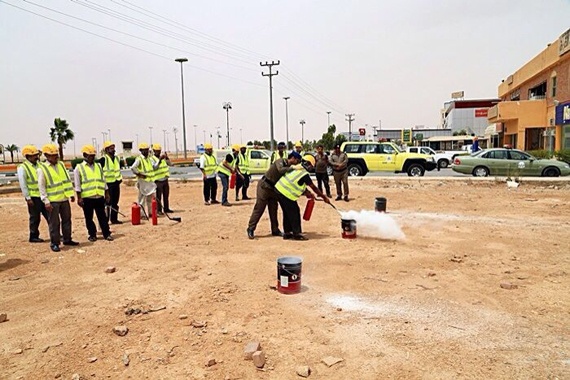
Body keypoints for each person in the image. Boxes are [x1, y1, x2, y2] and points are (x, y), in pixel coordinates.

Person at [246, 151, 303, 239]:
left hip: (273, 189)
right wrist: (294, 168)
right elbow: (280, 170)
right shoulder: (280, 161)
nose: (297, 163)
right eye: (297, 160)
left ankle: (275, 230)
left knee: (273, 209)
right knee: (259, 208)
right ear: (292, 158)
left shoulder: (289, 167)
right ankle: (251, 228)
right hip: (264, 186)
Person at [275, 154, 330, 240]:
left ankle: (287, 233)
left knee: (287, 213)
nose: (312, 168)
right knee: (294, 212)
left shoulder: (297, 168)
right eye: (311, 166)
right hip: (285, 193)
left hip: (279, 190)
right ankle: (297, 234)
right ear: (307, 164)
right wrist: (324, 197)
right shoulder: (303, 173)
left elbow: (297, 183)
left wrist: (308, 193)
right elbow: (314, 187)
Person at [37, 143, 79, 252]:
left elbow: (66, 180)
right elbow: (41, 186)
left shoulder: (61, 165)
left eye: (56, 154)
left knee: (67, 220)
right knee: (54, 223)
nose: (56, 156)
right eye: (53, 155)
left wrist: (71, 194)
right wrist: (45, 201)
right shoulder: (42, 169)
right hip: (53, 201)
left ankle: (67, 239)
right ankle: (54, 243)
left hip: (64, 199)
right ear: (46, 155)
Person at [75, 145, 113, 242]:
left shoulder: (98, 166)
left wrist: (107, 193)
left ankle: (106, 233)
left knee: (102, 217)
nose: (92, 157)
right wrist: (79, 197)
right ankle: (92, 234)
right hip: (87, 197)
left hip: (99, 196)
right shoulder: (79, 168)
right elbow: (78, 184)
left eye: (93, 155)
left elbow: (103, 180)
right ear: (84, 155)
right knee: (89, 217)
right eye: (90, 155)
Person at [17, 144, 49, 242]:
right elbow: (23, 184)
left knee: (50, 216)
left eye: (37, 155)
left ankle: (55, 233)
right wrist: (28, 197)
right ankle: (33, 236)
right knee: (35, 218)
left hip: (43, 196)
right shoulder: (23, 167)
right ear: (27, 156)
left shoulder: (40, 165)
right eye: (34, 155)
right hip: (33, 197)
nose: (36, 157)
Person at [100, 141, 123, 224]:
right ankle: (105, 220)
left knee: (115, 202)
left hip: (116, 183)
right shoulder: (103, 160)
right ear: (106, 150)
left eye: (114, 148)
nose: (113, 150)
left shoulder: (117, 158)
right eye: (111, 149)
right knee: (107, 203)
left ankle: (114, 219)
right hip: (108, 185)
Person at [131, 143, 155, 216]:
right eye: (145, 150)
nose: (146, 151)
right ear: (141, 150)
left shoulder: (149, 159)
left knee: (150, 199)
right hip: (142, 182)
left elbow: (154, 166)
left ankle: (150, 213)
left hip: (149, 182)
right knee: (142, 199)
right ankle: (142, 214)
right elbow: (133, 168)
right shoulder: (139, 159)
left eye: (147, 150)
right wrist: (139, 174)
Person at [151, 143, 173, 214]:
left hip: (165, 179)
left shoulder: (163, 159)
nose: (158, 152)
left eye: (159, 151)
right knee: (158, 197)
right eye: (157, 151)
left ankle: (166, 209)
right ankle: (159, 210)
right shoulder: (152, 159)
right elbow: (154, 167)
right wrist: (159, 160)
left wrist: (167, 158)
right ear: (154, 151)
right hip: (158, 181)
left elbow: (170, 164)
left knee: (166, 196)